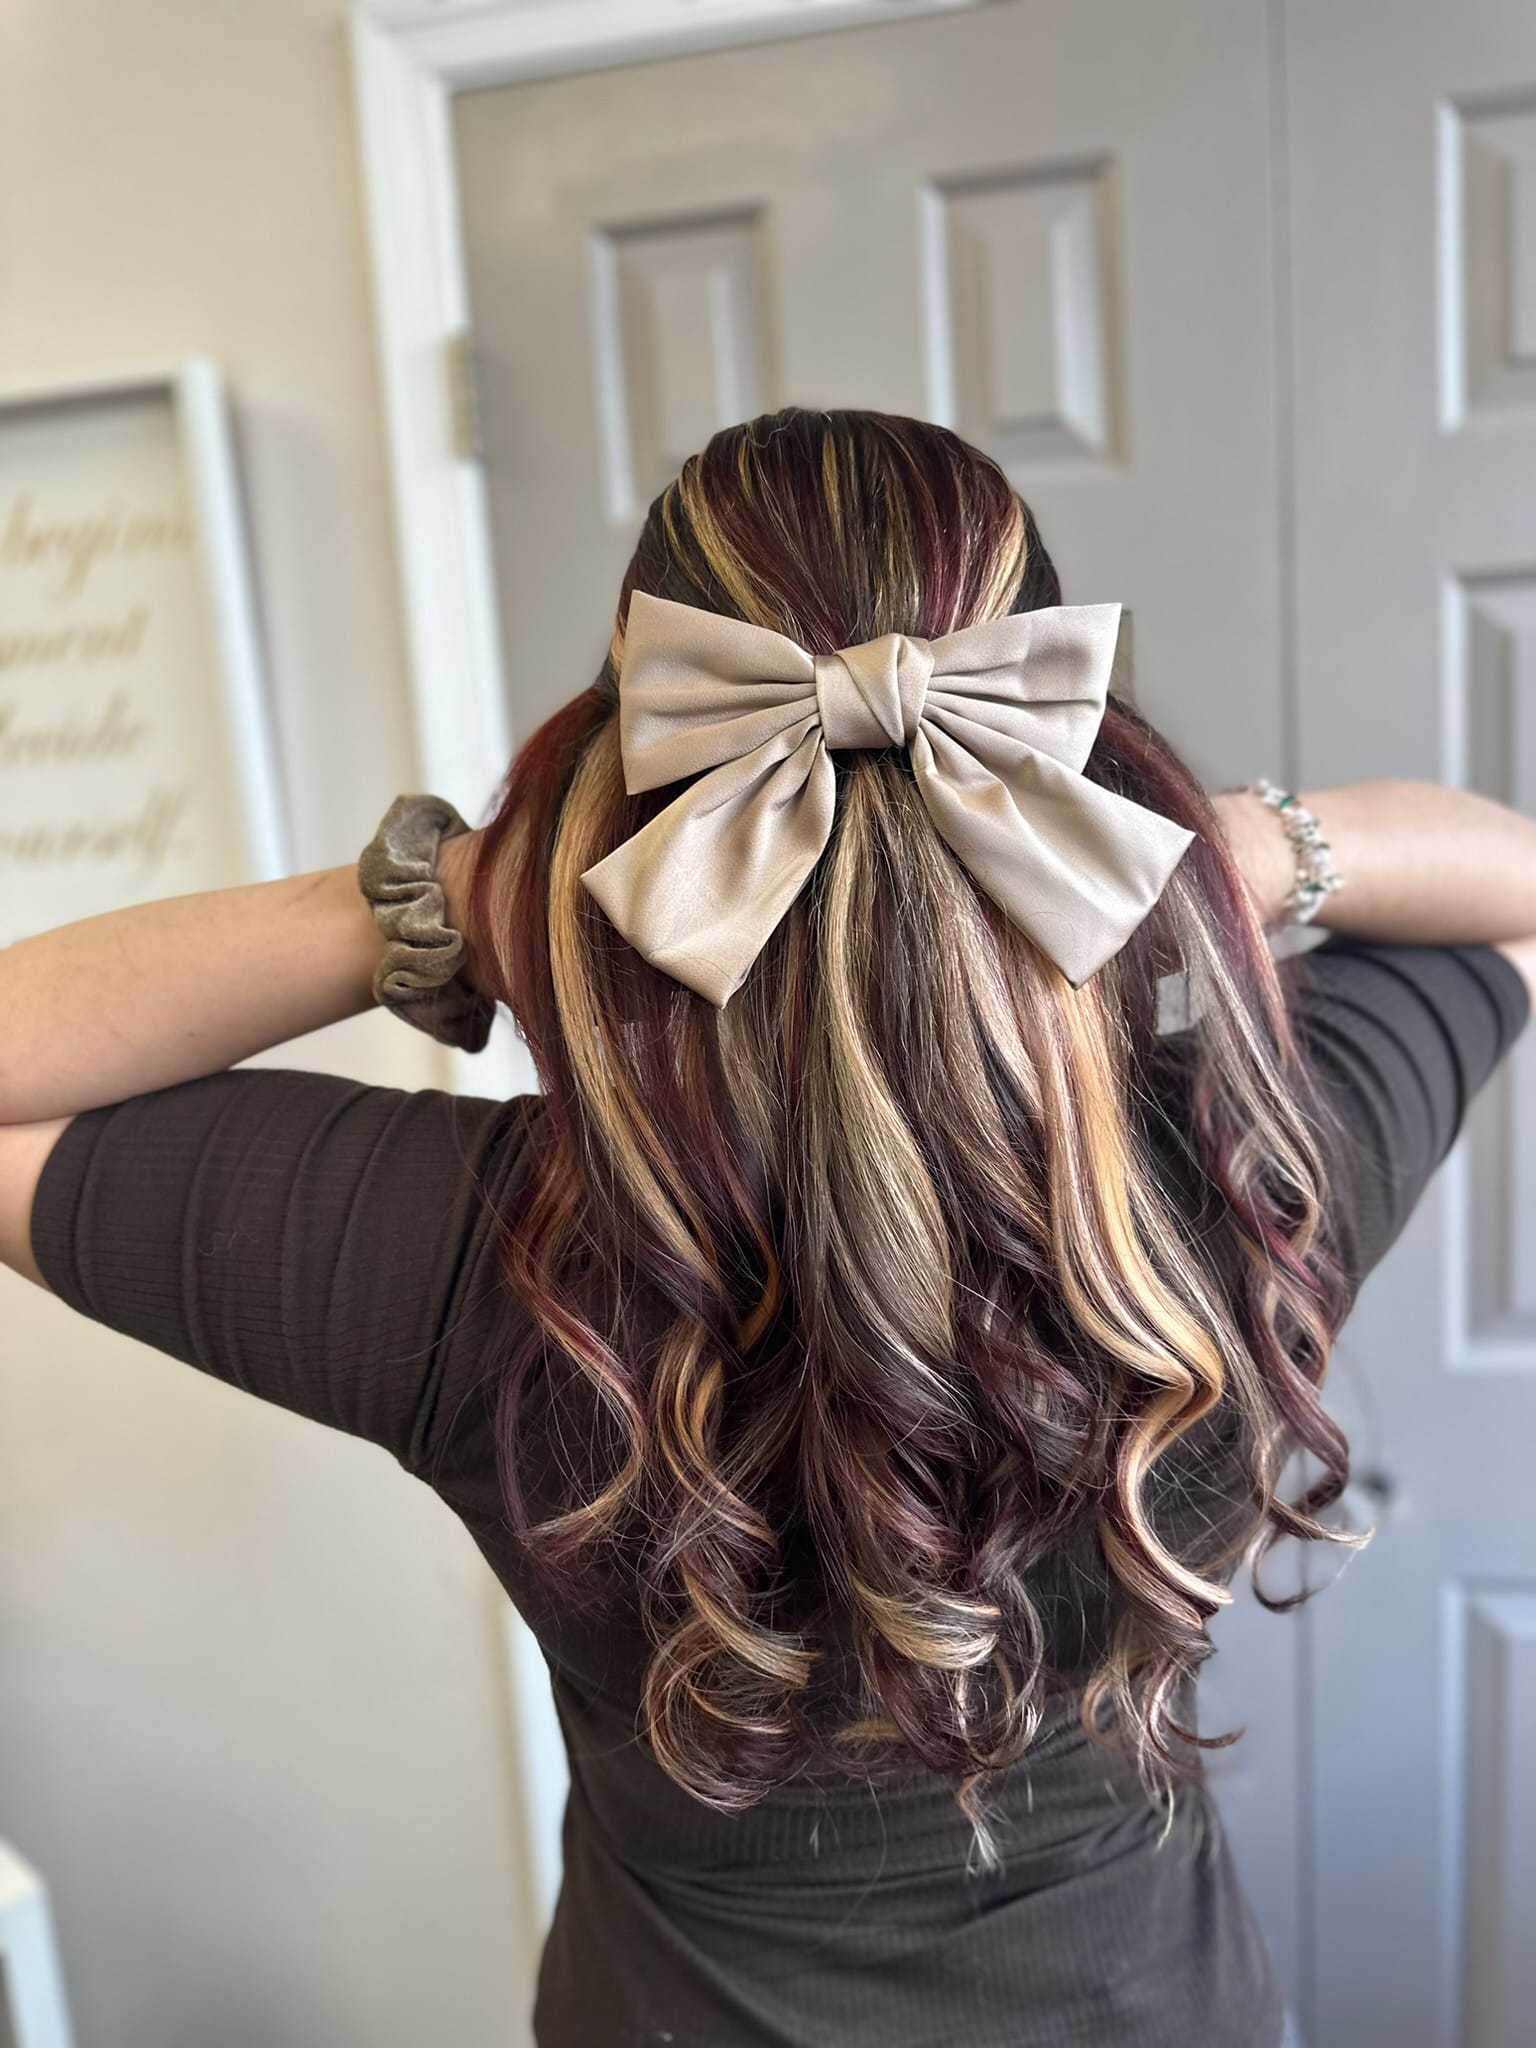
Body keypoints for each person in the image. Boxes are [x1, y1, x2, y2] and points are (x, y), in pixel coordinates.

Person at [3, 408, 1532, 2048]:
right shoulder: (1241, 1176)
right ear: (1058, 764)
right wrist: (1213, 853)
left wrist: (456, 891)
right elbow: (1514, 896)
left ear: (637, 767)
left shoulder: (477, 1253)